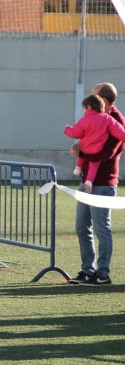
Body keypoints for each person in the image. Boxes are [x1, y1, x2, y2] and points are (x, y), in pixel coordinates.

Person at [69, 82, 123, 286]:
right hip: (87, 182)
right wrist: (76, 148)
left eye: (94, 98)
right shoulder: (94, 117)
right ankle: (87, 271)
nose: (90, 102)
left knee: (102, 229)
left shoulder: (115, 121)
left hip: (103, 183)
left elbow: (106, 153)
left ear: (106, 101)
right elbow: (84, 138)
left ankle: (103, 274)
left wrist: (81, 151)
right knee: (82, 227)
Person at [64, 94, 125, 193]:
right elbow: (121, 134)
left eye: (84, 108)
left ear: (89, 107)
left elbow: (76, 133)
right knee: (94, 165)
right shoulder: (108, 118)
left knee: (80, 148)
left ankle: (77, 168)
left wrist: (67, 129)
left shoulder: (84, 120)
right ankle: (89, 182)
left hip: (85, 148)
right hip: (97, 150)